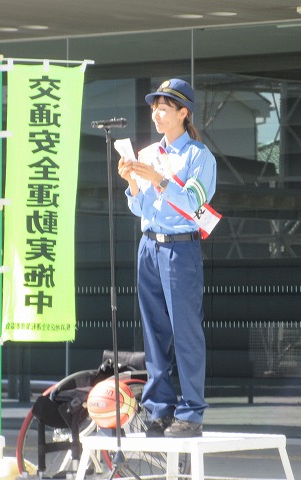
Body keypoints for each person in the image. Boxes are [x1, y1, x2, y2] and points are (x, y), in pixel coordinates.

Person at [117, 78, 216, 438]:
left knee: (186, 331)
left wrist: (157, 179)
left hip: (180, 247)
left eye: (164, 107)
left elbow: (193, 204)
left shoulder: (199, 157)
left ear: (183, 113)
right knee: (154, 332)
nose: (156, 113)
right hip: (149, 245)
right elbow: (140, 206)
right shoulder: (146, 154)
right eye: (154, 107)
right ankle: (159, 407)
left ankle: (191, 412)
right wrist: (132, 182)